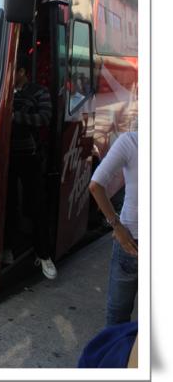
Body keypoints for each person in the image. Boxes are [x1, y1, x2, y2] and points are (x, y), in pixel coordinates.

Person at [5, 52, 57, 280]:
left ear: (22, 72)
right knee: (8, 205)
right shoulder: (3, 91)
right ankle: (8, 248)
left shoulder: (39, 92)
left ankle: (44, 255)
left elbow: (45, 118)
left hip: (30, 157)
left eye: (13, 71)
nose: (9, 75)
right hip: (6, 157)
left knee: (37, 206)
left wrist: (14, 116)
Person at [89, 130, 138, 325]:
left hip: (130, 240)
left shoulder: (131, 141)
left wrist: (116, 226)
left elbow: (95, 185)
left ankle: (116, 346)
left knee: (117, 315)